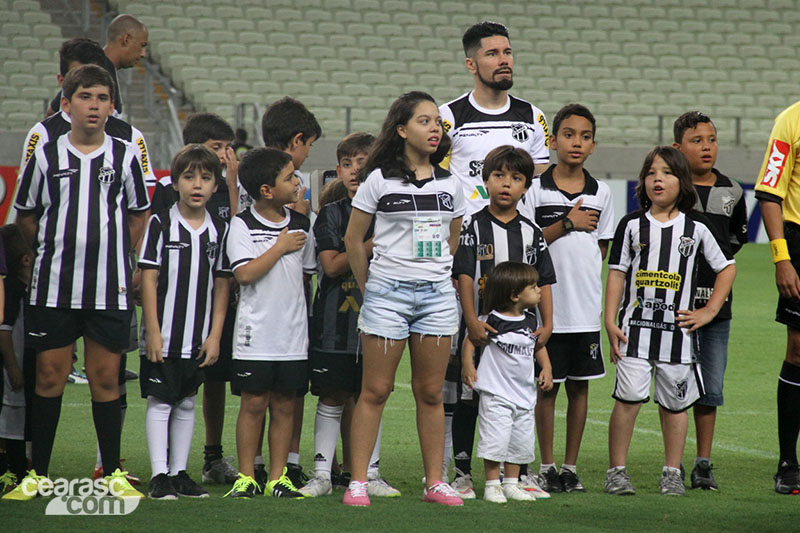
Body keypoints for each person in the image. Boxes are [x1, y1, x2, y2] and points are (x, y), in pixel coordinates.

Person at [5, 64, 150, 501]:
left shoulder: (124, 155)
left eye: (103, 98)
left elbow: (139, 213)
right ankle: (38, 474)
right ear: (66, 105)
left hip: (109, 287)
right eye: (86, 96)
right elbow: (26, 218)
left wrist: (119, 253)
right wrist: (47, 252)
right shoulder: (46, 156)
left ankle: (111, 472)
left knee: (107, 378)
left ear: (111, 106)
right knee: (49, 377)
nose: (95, 105)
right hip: (53, 286)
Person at [343, 91, 465, 507]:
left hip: (436, 298)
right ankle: (358, 481)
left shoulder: (453, 184)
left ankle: (435, 483)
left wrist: (433, 275)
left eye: (438, 122)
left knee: (431, 393)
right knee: (375, 390)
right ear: (401, 129)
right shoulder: (378, 179)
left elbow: (453, 239)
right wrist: (370, 288)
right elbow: (353, 240)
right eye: (425, 121)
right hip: (386, 296)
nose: (435, 128)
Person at [604, 146, 736, 497]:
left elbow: (727, 267)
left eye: (666, 173)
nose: (657, 179)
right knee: (628, 400)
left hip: (677, 337)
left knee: (676, 405)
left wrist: (708, 310)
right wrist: (609, 318)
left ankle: (671, 472)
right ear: (642, 181)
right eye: (651, 173)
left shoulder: (696, 227)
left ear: (683, 181)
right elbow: (617, 274)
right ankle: (616, 471)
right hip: (634, 332)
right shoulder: (631, 225)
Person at [450, 145, 555, 500]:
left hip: (521, 332)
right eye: (499, 176)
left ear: (526, 187)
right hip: (481, 329)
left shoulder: (532, 233)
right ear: (485, 180)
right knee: (469, 396)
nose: (506, 184)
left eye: (516, 178)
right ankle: (462, 473)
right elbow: (463, 276)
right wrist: (470, 322)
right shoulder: (473, 226)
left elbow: (544, 281)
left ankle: (519, 475)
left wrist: (549, 323)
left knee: (518, 398)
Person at [517, 104, 613, 493]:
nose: (577, 142)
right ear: (553, 141)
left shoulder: (601, 192)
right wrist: (566, 223)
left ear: (593, 145)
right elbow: (525, 242)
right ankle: (547, 465)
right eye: (569, 135)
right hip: (545, 310)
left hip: (585, 310)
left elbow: (600, 247)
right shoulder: (535, 190)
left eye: (585, 136)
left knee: (579, 387)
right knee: (546, 386)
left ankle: (570, 468)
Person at [301, 133, 399, 498]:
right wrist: (368, 242)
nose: (356, 170)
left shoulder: (391, 210)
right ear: (338, 171)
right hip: (335, 324)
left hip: (384, 319)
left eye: (364, 162)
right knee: (332, 395)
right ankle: (323, 473)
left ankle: (369, 473)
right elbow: (330, 266)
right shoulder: (331, 213)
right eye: (347, 163)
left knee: (370, 395)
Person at [138, 145, 231, 499]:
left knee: (188, 401)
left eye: (205, 178)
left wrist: (215, 335)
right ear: (175, 182)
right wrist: (154, 332)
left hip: (198, 335)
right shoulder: (161, 223)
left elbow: (222, 285)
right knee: (161, 401)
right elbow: (148, 278)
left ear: (214, 185)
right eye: (189, 177)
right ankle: (159, 475)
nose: (197, 184)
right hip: (165, 334)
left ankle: (179, 472)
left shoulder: (218, 229)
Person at [224, 148, 316, 499]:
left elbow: (307, 274)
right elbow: (244, 274)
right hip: (255, 334)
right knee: (253, 403)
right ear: (266, 190)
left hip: (293, 334)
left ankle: (279, 478)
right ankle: (247, 477)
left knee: (285, 404)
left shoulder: (302, 224)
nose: (297, 182)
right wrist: (278, 247)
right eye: (290, 177)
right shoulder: (242, 224)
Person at [672, 111, 747, 491]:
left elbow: (733, 247)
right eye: (697, 140)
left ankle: (702, 462)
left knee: (711, 387)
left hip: (717, 309)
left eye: (712, 139)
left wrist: (712, 299)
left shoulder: (732, 191)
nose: (706, 147)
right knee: (674, 383)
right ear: (677, 147)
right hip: (673, 307)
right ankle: (673, 465)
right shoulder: (668, 188)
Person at [461, 262, 553, 503]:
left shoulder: (531, 321)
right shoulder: (492, 320)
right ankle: (492, 485)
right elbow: (471, 340)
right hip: (497, 394)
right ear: (515, 295)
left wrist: (546, 367)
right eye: (533, 287)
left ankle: (511, 483)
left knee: (520, 442)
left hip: (524, 394)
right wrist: (468, 364)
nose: (539, 290)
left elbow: (537, 346)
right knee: (495, 440)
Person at [440, 20, 549, 216]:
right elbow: (439, 180)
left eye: (507, 52)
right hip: (467, 238)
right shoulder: (448, 116)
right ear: (471, 65)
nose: (504, 60)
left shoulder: (533, 117)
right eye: (492, 54)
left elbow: (538, 184)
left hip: (518, 238)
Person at [753, 99, 800, 494]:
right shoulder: (791, 119)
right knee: (799, 350)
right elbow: (770, 194)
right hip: (799, 242)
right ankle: (788, 463)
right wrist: (781, 258)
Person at [46, 15, 148, 118]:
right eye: (142, 45)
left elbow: (51, 113)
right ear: (126, 39)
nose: (143, 54)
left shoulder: (100, 69)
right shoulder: (99, 72)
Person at [0, 225, 27, 495]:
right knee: (12, 418)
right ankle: (16, 471)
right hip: (13, 365)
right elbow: (4, 329)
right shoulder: (14, 290)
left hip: (19, 364)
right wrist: (12, 366)